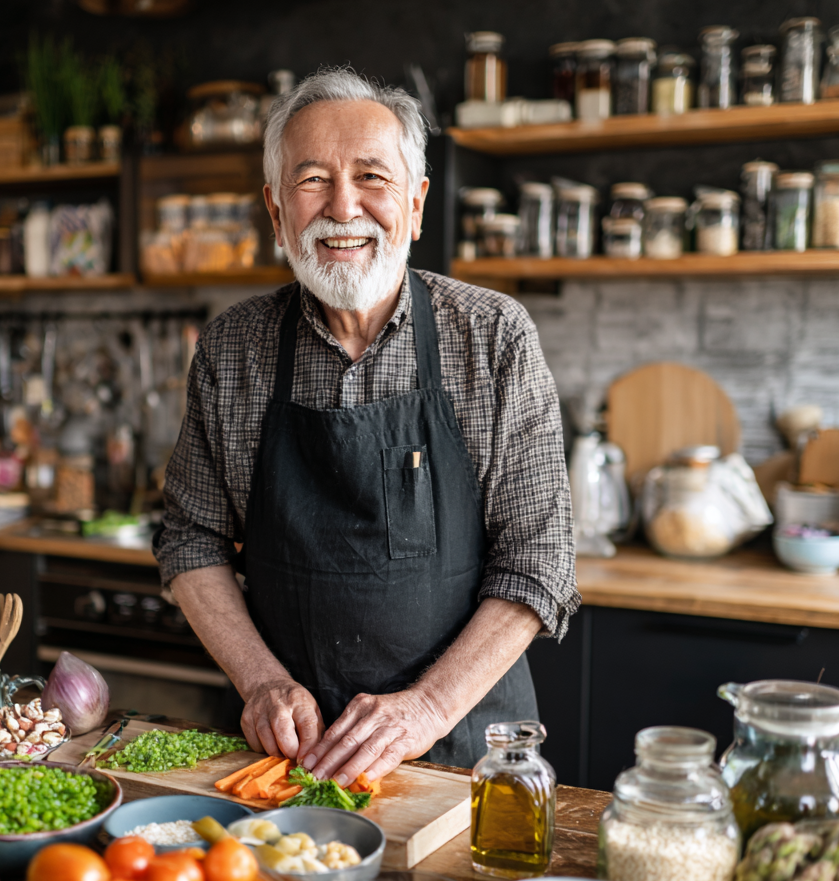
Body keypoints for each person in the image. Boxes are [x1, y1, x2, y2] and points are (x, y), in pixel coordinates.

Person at [155, 67, 579, 783]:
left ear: (415, 205)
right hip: (291, 758)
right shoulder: (232, 349)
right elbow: (190, 539)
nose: (343, 207)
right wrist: (259, 682)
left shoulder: (494, 336)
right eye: (312, 180)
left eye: (372, 178)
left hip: (466, 757)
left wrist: (423, 710)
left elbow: (539, 562)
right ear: (276, 210)